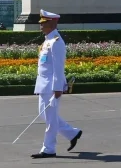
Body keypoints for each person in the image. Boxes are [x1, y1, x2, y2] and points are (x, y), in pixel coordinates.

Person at [30, 9, 82, 158]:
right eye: (41, 23)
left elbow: (59, 67)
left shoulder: (56, 42)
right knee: (44, 115)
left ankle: (48, 148)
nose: (41, 26)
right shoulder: (48, 41)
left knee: (51, 119)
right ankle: (72, 133)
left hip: (52, 86)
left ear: (52, 23)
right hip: (43, 84)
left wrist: (58, 87)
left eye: (44, 23)